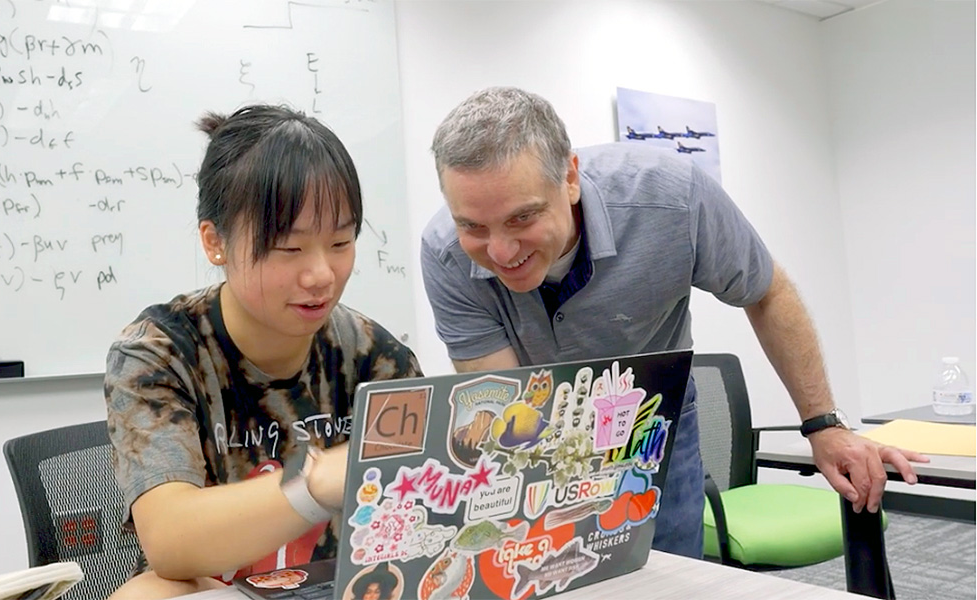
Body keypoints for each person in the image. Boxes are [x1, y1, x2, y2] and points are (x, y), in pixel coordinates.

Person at [419, 86, 927, 558]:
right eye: (474, 227)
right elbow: (508, 404)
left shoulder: (671, 198)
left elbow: (767, 292)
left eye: (521, 218)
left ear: (570, 178)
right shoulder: (444, 253)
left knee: (669, 571)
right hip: (542, 424)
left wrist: (823, 426)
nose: (501, 251)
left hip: (655, 417)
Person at [105, 105, 421, 599]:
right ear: (215, 242)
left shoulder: (377, 358)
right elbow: (169, 540)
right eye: (289, 249)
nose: (321, 274)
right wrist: (316, 482)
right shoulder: (161, 354)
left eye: (341, 241)